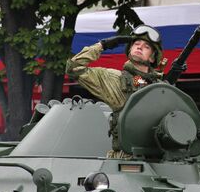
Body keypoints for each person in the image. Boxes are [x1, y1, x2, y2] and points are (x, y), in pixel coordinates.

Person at [66, 25, 164, 159]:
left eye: (146, 46)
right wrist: (102, 45)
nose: (140, 47)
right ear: (130, 50)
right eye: (136, 44)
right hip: (125, 158)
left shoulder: (161, 87)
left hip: (160, 159)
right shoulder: (113, 78)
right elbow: (74, 68)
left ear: (152, 58)